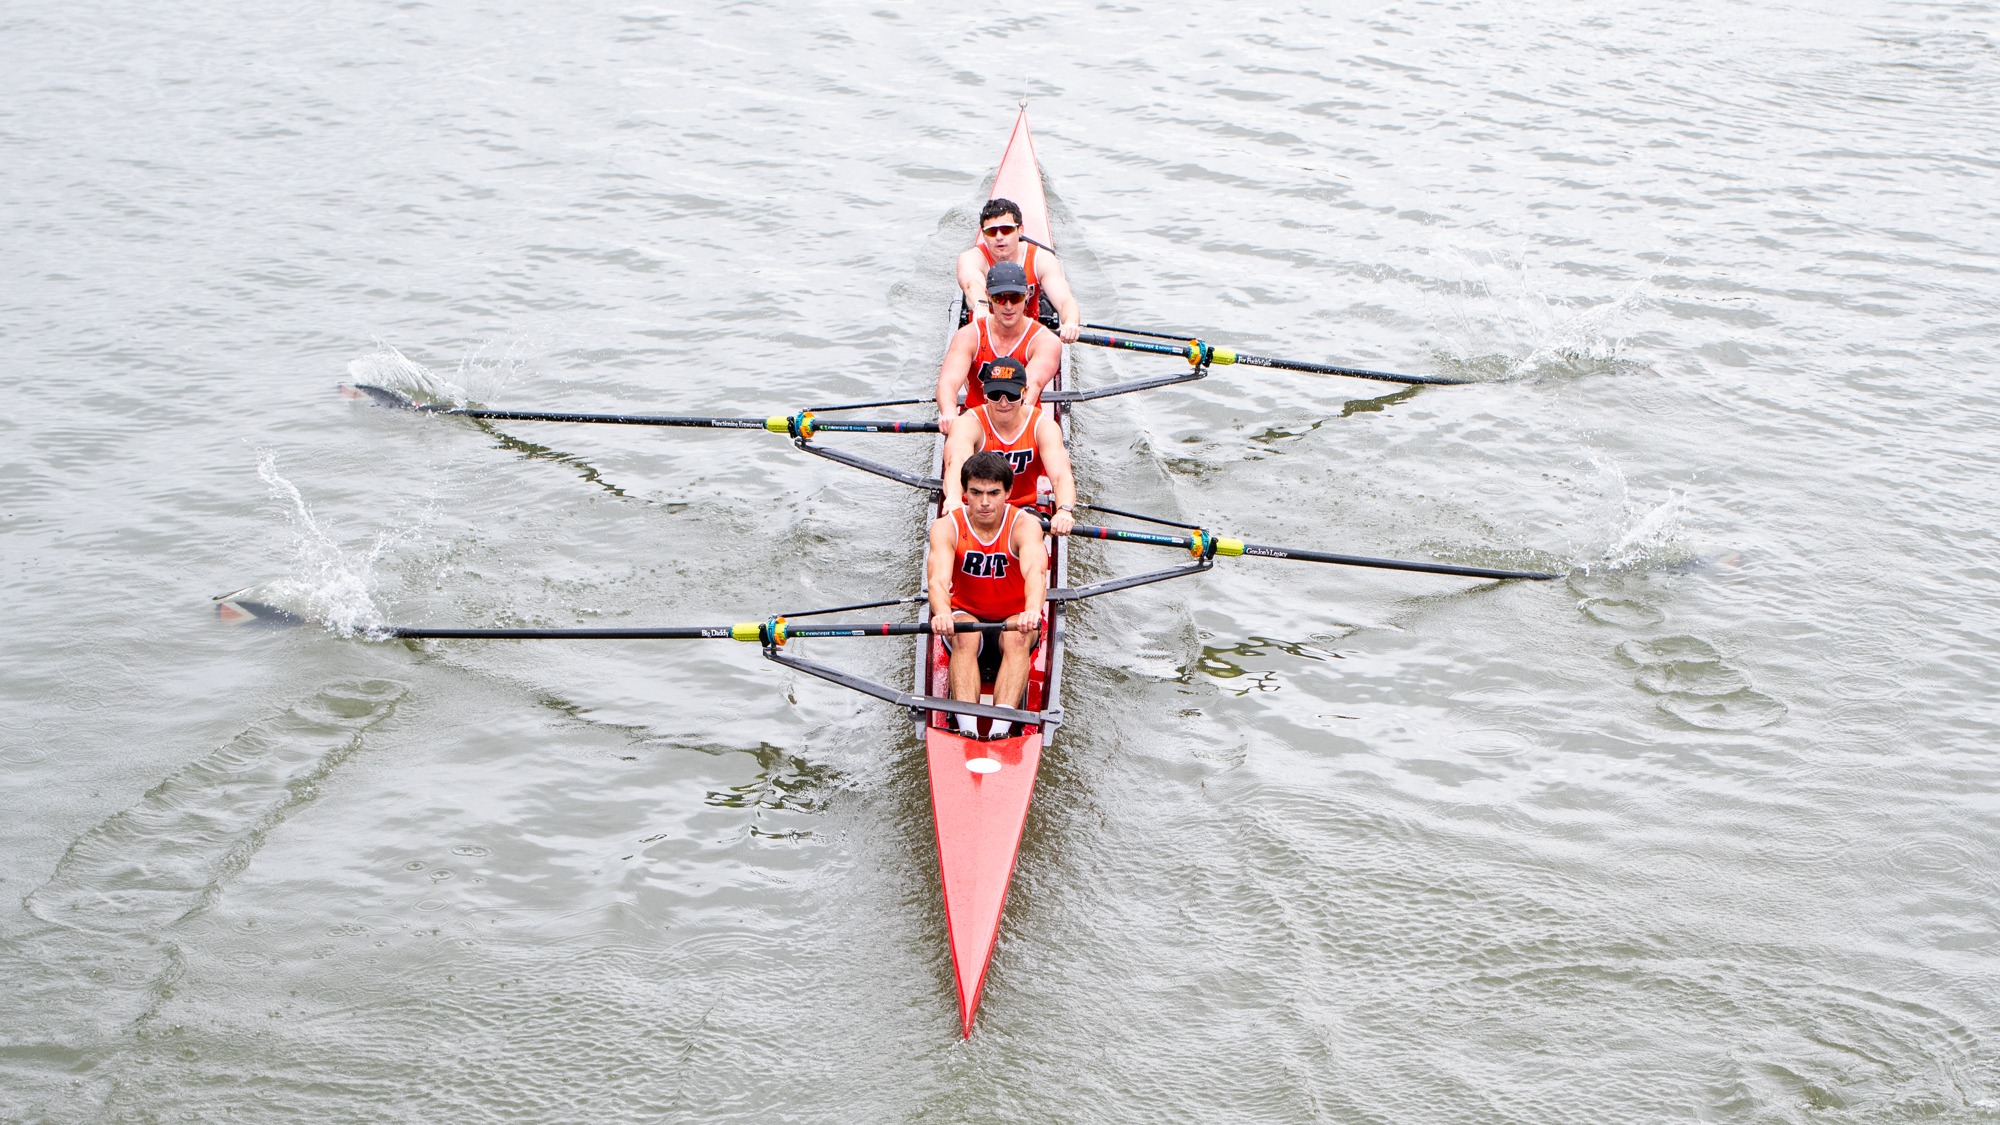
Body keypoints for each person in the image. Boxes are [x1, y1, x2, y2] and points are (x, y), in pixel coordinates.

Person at [926, 449, 1048, 735]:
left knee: (1017, 636)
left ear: (1008, 492)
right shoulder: (946, 527)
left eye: (993, 493)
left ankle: (1000, 731)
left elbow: (1036, 573)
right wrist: (942, 613)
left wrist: (1032, 611)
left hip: (1016, 620)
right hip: (966, 619)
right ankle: (967, 729)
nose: (984, 502)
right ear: (964, 492)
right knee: (964, 633)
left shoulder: (1025, 526)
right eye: (976, 492)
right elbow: (937, 580)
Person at [940, 356, 1076, 537]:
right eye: (996, 395)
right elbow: (955, 463)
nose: (1003, 403)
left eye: (1011, 395)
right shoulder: (968, 424)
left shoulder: (1043, 426)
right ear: (985, 393)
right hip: (976, 505)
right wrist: (953, 499)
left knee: (1028, 533)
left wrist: (1064, 510)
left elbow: (1061, 476)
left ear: (1025, 393)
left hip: (1022, 508)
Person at [935, 260, 1061, 436]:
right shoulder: (968, 336)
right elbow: (948, 383)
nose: (1008, 306)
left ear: (1027, 294)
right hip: (976, 425)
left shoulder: (1045, 341)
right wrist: (948, 412)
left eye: (1015, 297)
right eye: (1000, 298)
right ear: (988, 296)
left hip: (1021, 424)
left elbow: (1031, 387)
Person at [956, 198, 1082, 344]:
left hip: (1027, 338)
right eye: (991, 232)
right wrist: (980, 307)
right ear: (983, 235)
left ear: (1020, 230)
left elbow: (1065, 300)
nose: (999, 237)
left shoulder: (1041, 259)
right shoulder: (971, 258)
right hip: (985, 338)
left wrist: (1070, 324)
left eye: (1006, 229)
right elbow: (971, 284)